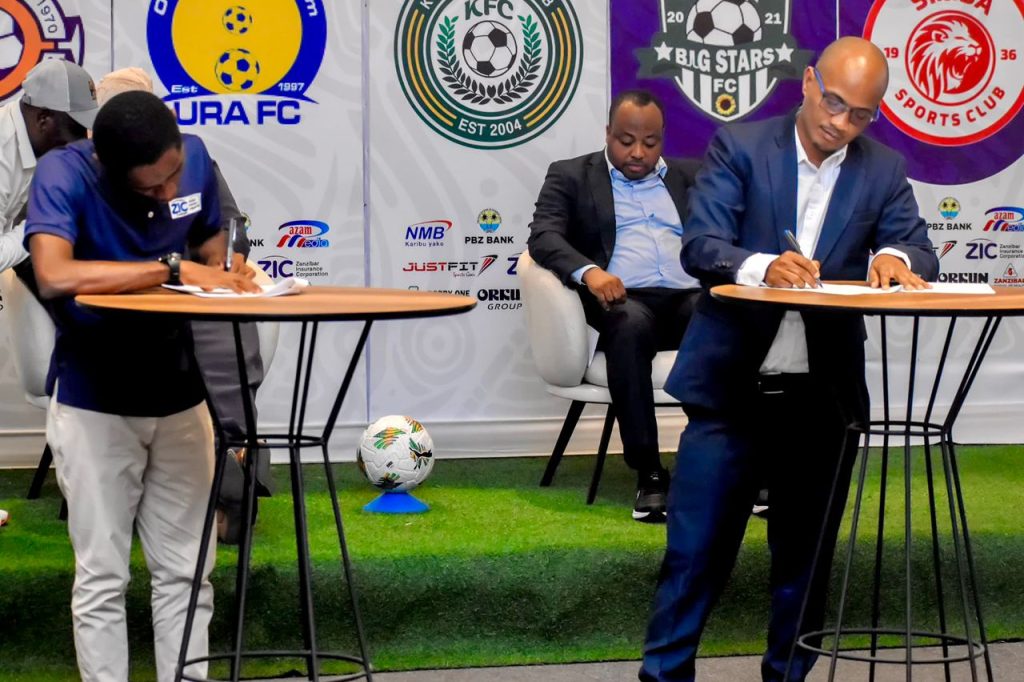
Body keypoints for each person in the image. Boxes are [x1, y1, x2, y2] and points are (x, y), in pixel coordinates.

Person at [640, 37, 938, 681]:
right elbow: (702, 244)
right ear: (808, 82)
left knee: (805, 564)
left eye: (861, 114)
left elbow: (919, 248)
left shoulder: (883, 169)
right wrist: (761, 266)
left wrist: (896, 257)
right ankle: (663, 676)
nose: (842, 122)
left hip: (822, 401)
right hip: (730, 393)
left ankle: (788, 676)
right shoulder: (741, 146)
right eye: (833, 102)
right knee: (693, 557)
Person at [24, 91, 260, 682]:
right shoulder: (63, 174)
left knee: (188, 571)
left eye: (173, 175)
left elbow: (210, 239)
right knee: (103, 575)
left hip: (180, 397)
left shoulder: (194, 158)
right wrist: (172, 268)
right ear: (105, 165)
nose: (167, 190)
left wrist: (226, 266)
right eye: (150, 186)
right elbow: (53, 273)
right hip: (94, 402)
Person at [95, 67, 272, 543]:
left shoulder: (193, 160)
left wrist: (222, 262)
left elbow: (232, 230)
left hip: (189, 295)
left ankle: (234, 463)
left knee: (225, 329)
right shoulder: (80, 172)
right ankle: (176, 486)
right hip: (123, 304)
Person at [527, 89, 701, 523]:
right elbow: (544, 236)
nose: (638, 152)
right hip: (622, 299)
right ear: (608, 133)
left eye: (650, 142)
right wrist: (590, 272)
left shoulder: (691, 176)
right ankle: (650, 472)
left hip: (687, 298)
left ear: (663, 138)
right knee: (629, 324)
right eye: (626, 141)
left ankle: (734, 463)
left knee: (725, 316)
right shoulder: (571, 175)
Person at [0, 59, 97, 274]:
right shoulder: (3, 151)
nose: (82, 140)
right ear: (43, 119)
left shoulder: (32, 140)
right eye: (76, 129)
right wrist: (43, 225)